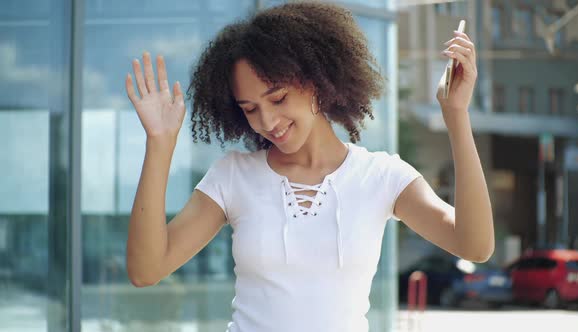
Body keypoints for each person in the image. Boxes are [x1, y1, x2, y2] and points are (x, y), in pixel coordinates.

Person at [124, 2, 494, 332]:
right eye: (250, 108)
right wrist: (160, 143)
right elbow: (146, 270)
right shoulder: (233, 176)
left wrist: (456, 116)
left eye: (278, 98)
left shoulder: (382, 177)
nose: (267, 120)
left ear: (316, 82)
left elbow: (474, 246)